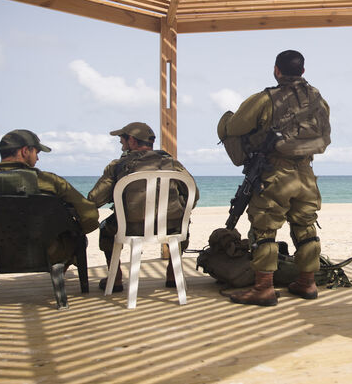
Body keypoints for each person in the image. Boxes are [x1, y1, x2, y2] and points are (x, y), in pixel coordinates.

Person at [218, 49, 331, 306]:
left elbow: (234, 127)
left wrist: (225, 124)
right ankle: (307, 282)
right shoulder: (319, 100)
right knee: (306, 228)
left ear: (276, 70)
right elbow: (325, 135)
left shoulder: (265, 98)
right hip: (306, 175)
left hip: (274, 174)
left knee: (264, 231)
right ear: (303, 71)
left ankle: (264, 289)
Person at [0, 129, 99, 264]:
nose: (37, 158)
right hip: (48, 252)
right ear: (25, 151)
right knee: (78, 240)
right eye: (36, 152)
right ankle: (58, 272)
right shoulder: (50, 182)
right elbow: (89, 215)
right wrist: (73, 230)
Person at [88, 122, 198, 292]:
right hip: (170, 226)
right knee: (183, 222)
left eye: (122, 140)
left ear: (131, 141)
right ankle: (172, 274)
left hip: (131, 228)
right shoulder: (172, 164)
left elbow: (95, 199)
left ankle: (115, 278)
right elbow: (194, 194)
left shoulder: (117, 166)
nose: (120, 144)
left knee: (105, 229)